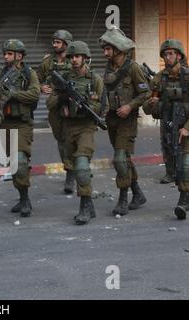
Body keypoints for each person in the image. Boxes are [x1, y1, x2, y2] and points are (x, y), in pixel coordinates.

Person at [47, 41, 104, 225]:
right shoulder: (62, 78)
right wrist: (61, 98)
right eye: (71, 57)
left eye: (77, 56)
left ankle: (85, 206)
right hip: (67, 128)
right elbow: (49, 103)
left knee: (81, 166)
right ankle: (89, 206)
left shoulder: (94, 79)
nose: (74, 60)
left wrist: (84, 108)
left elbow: (103, 106)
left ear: (86, 58)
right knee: (73, 165)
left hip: (86, 127)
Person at [99, 26, 150, 217]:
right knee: (125, 158)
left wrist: (130, 106)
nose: (105, 53)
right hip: (112, 119)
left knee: (120, 159)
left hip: (127, 120)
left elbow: (145, 93)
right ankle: (137, 193)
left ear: (118, 49)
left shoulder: (133, 68)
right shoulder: (109, 67)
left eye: (108, 49)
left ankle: (123, 199)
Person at [143, 39, 189, 220]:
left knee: (185, 165)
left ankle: (183, 200)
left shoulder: (187, 76)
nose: (168, 57)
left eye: (171, 53)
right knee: (174, 164)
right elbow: (147, 107)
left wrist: (186, 128)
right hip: (168, 126)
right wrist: (153, 103)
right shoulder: (159, 78)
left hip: (185, 128)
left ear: (179, 55)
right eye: (165, 54)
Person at [0, 39, 40, 217]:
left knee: (20, 160)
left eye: (10, 54)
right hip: (4, 123)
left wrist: (14, 93)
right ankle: (21, 197)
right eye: (4, 54)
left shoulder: (29, 74)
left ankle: (26, 199)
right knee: (12, 163)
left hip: (22, 123)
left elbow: (35, 94)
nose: (6, 57)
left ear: (19, 56)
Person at [38, 30, 75, 194]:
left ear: (66, 43)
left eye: (58, 42)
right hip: (54, 108)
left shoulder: (75, 59)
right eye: (53, 42)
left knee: (72, 140)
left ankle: (75, 171)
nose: (54, 45)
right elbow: (36, 78)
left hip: (71, 106)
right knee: (61, 141)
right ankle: (70, 170)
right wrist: (40, 87)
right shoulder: (48, 62)